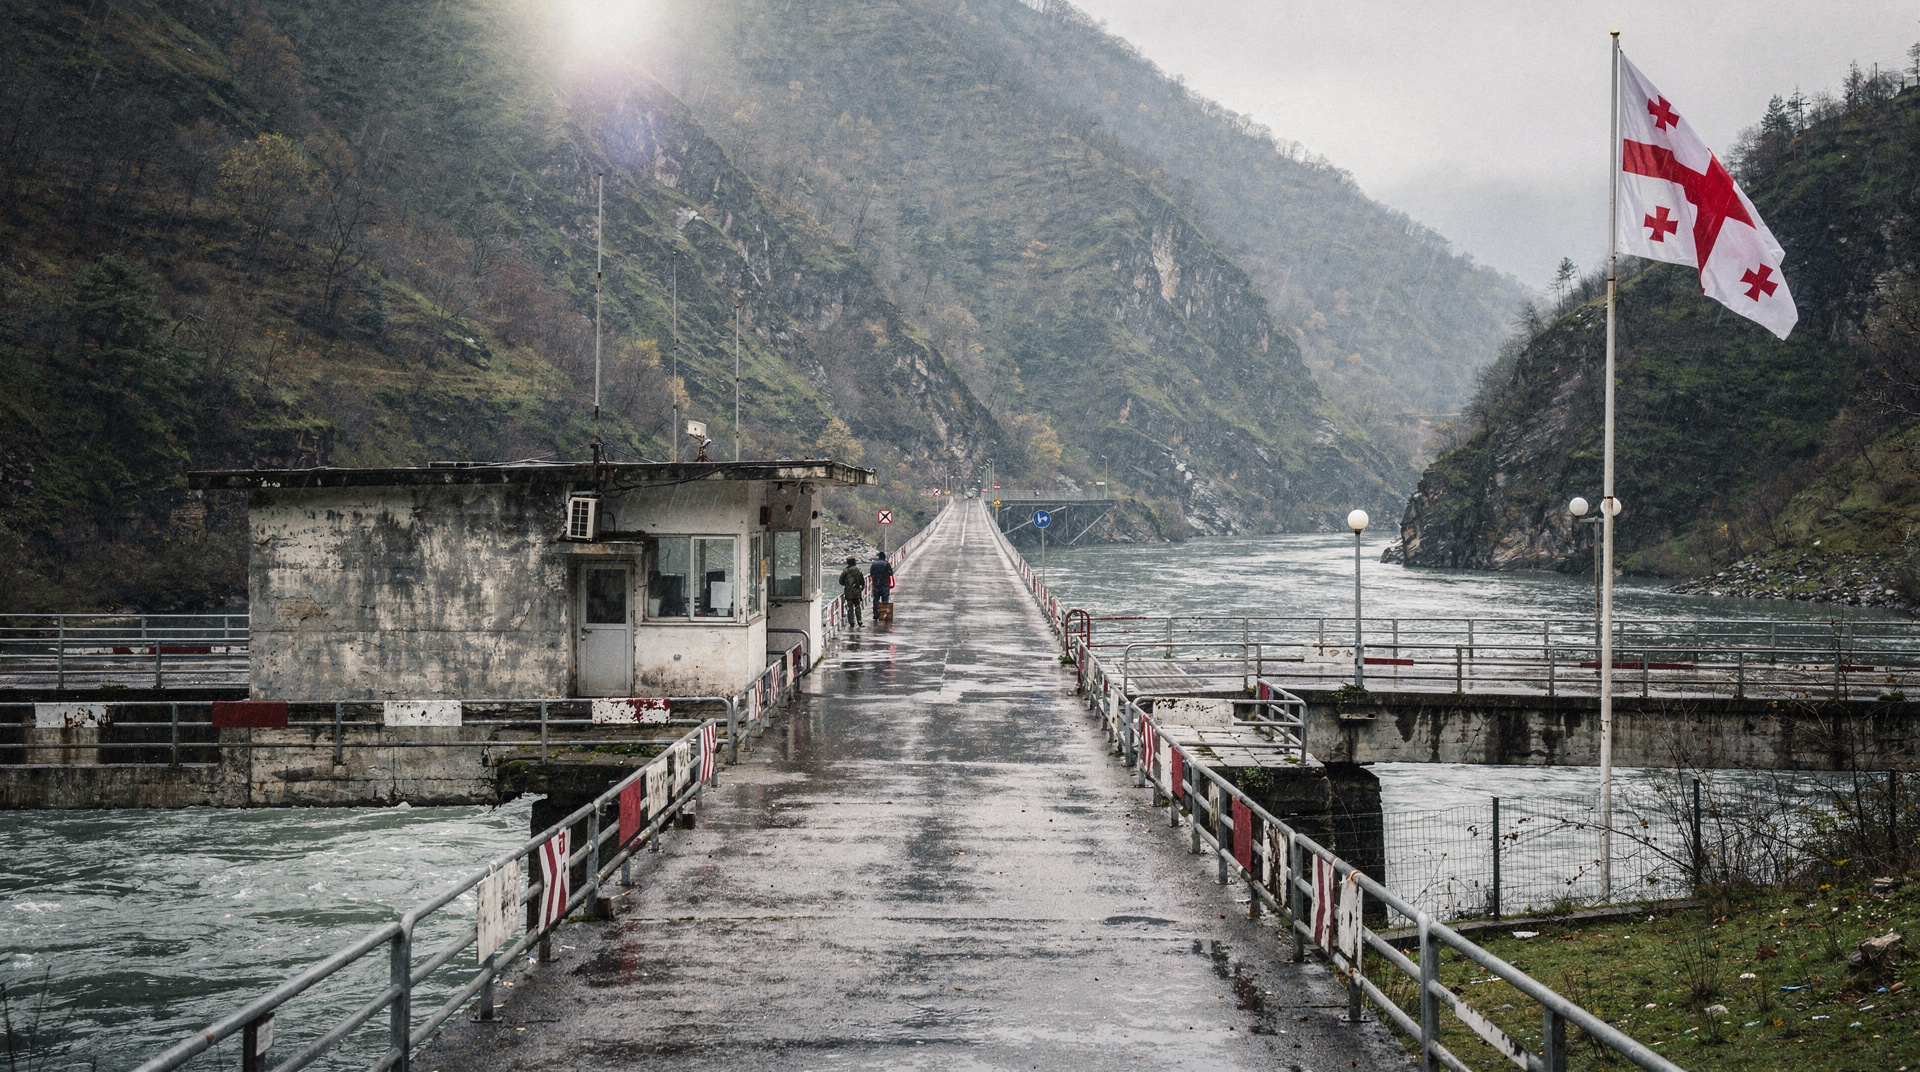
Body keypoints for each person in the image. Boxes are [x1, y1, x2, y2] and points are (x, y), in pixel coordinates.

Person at [837, 556, 865, 627]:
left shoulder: (846, 571)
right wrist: (861, 588)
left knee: (850, 608)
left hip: (848, 592)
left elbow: (841, 581)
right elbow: (862, 581)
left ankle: (851, 622)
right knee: (857, 606)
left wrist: (847, 585)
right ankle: (859, 621)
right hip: (857, 591)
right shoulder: (858, 570)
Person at [869, 551, 894, 616]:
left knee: (876, 600)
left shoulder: (874, 564)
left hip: (876, 585)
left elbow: (871, 574)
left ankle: (875, 614)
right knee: (885, 600)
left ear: (879, 557)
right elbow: (891, 573)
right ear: (884, 557)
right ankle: (883, 614)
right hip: (885, 585)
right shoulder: (887, 564)